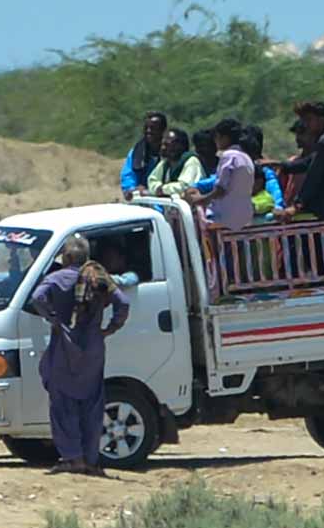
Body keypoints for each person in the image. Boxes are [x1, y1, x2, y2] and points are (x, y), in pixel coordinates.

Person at [28, 235, 130, 477]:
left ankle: (73, 458)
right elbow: (123, 303)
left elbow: (36, 299)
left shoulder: (55, 279)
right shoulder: (99, 279)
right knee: (92, 403)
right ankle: (91, 459)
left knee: (63, 402)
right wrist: (110, 328)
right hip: (93, 346)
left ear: (66, 257)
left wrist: (53, 318)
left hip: (64, 345)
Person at [271, 101, 324, 221]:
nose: (305, 124)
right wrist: (281, 165)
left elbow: (313, 177)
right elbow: (307, 163)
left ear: (321, 120)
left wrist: (296, 206)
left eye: (309, 120)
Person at [184, 117, 257, 231]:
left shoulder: (228, 156)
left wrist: (200, 199)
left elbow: (220, 190)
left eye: (216, 137)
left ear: (225, 138)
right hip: (244, 216)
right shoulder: (246, 158)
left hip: (225, 217)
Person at [120, 112, 168, 200]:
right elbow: (128, 175)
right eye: (146, 128)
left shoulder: (171, 152)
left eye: (153, 128)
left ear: (163, 130)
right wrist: (132, 189)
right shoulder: (136, 152)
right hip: (141, 199)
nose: (148, 131)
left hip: (164, 199)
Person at [146, 128, 202, 196]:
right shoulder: (165, 163)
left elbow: (185, 186)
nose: (163, 148)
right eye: (162, 144)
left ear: (180, 146)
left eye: (167, 145)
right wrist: (157, 188)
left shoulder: (191, 161)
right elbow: (152, 180)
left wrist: (163, 189)